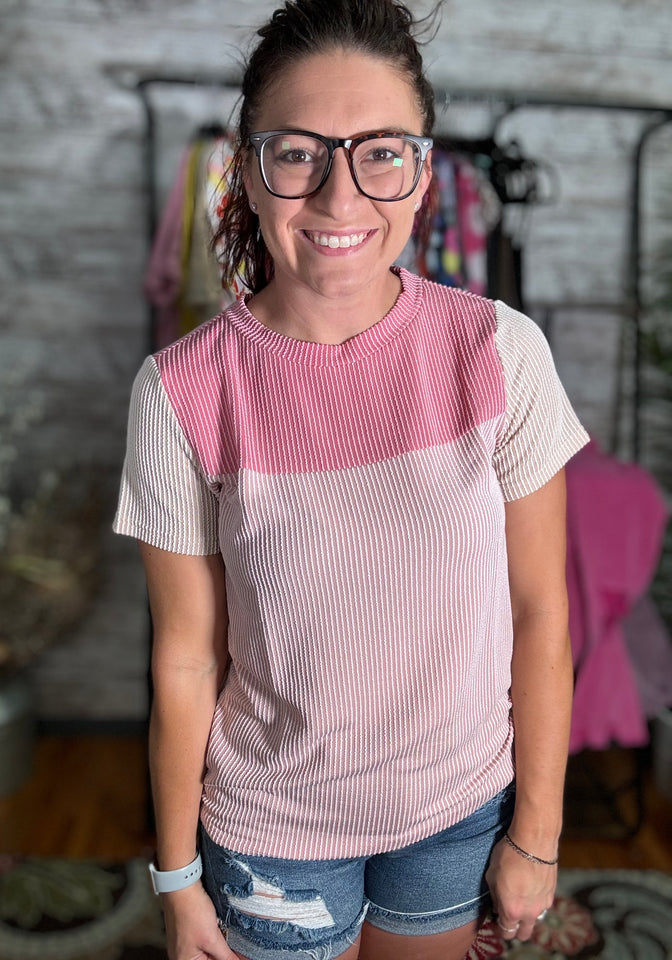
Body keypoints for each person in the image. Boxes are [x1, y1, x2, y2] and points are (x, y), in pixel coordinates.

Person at [113, 2, 590, 958]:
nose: (339, 199)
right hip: (271, 829)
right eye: (297, 153)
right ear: (245, 170)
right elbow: (186, 661)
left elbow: (541, 613)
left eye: (380, 153)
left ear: (421, 176)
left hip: (455, 811)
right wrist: (177, 880)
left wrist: (535, 838)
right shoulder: (181, 390)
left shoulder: (500, 353)